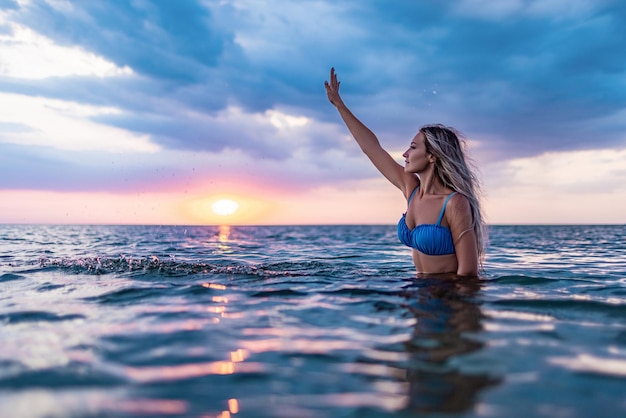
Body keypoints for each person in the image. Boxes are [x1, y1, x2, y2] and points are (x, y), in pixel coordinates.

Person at [324, 68, 486, 276]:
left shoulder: (455, 202)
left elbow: (468, 273)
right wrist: (339, 105)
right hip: (415, 294)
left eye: (413, 147)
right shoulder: (411, 190)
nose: (405, 153)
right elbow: (372, 148)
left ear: (432, 156)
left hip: (444, 298)